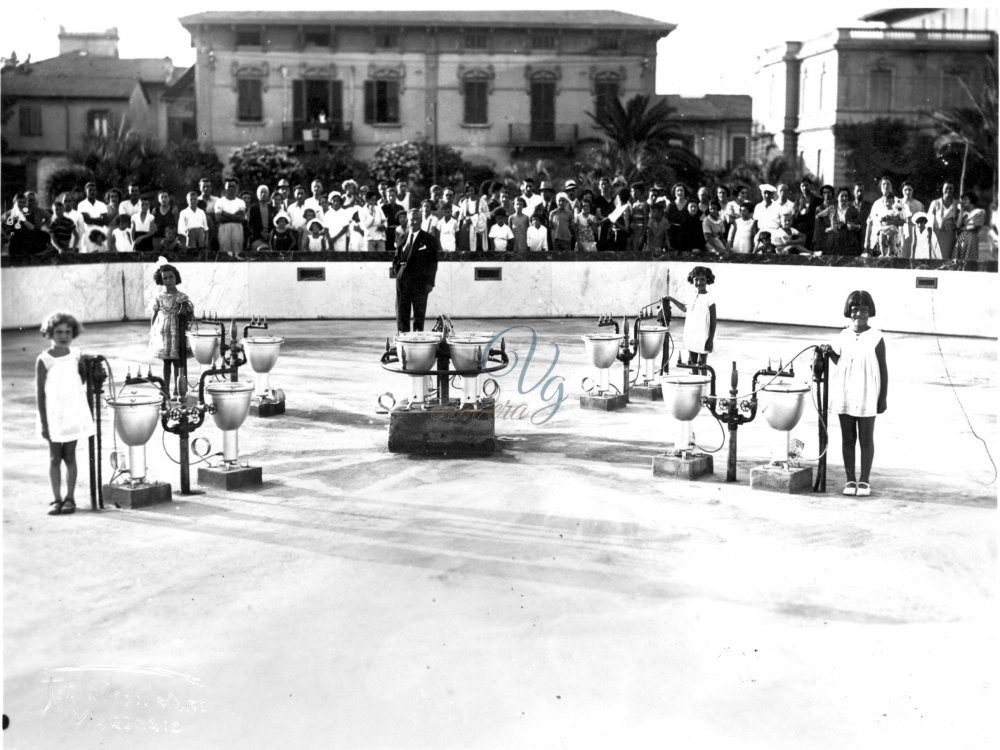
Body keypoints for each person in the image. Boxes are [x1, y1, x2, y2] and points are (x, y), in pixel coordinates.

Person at [824, 290, 888, 498]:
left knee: (866, 438)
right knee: (848, 438)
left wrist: (883, 398)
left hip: (868, 393)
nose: (859, 314)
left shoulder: (877, 337)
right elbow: (840, 361)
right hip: (845, 392)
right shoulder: (843, 336)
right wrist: (829, 352)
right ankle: (850, 479)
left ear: (870, 312)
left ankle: (865, 480)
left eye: (863, 310)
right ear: (849, 312)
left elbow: (883, 369)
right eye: (855, 309)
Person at [36, 311, 95, 516]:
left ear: (73, 333)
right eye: (59, 331)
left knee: (70, 456)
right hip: (54, 415)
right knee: (54, 457)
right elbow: (40, 394)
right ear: (50, 333)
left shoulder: (76, 355)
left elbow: (81, 382)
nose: (63, 335)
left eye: (68, 331)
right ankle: (56, 499)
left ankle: (70, 498)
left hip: (72, 413)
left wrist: (86, 364)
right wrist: (44, 423)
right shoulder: (44, 360)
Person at [148, 262, 194, 397]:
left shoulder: (182, 297)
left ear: (176, 278)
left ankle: (178, 389)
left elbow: (190, 315)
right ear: (161, 280)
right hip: (164, 333)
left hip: (177, 333)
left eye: (171, 277)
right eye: (165, 278)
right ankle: (165, 389)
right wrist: (152, 332)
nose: (168, 280)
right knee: (166, 361)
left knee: (177, 361)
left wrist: (186, 314)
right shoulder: (159, 297)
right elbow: (155, 314)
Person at [392, 209, 438, 332]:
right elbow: (396, 257)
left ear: (421, 220)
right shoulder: (402, 236)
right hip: (402, 282)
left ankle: (418, 343)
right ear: (408, 219)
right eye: (412, 218)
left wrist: (430, 283)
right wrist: (398, 273)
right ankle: (403, 341)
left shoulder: (429, 239)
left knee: (419, 316)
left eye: (418, 218)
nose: (415, 221)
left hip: (420, 284)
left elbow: (433, 264)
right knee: (402, 314)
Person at [664, 266, 716, 375]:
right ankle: (695, 382)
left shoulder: (709, 299)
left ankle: (703, 385)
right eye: (696, 279)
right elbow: (684, 308)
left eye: (702, 279)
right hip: (691, 335)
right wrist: (671, 299)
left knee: (702, 364)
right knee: (692, 363)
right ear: (692, 280)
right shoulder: (691, 295)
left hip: (703, 336)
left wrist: (710, 339)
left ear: (707, 281)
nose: (699, 282)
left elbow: (713, 322)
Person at [817, 187, 863, 256]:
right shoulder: (831, 209)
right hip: (834, 243)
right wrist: (827, 228)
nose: (844, 198)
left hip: (849, 243)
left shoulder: (853, 210)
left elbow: (861, 226)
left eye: (846, 196)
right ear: (837, 197)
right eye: (842, 196)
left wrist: (854, 226)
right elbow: (818, 216)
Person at [864, 177, 903, 257]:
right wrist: (866, 242)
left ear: (892, 186)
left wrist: (892, 221)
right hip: (877, 242)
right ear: (880, 188)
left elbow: (903, 221)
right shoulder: (876, 204)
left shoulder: (899, 202)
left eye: (888, 184)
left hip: (894, 243)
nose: (886, 186)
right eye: (883, 184)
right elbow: (870, 223)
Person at [215, 178, 247, 258]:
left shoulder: (240, 202)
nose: (231, 188)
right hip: (224, 228)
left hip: (237, 228)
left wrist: (225, 213)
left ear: (236, 188)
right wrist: (234, 216)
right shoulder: (220, 201)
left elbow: (241, 218)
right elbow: (219, 218)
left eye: (233, 186)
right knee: (225, 253)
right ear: (225, 188)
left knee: (238, 253)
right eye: (229, 186)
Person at [927, 181, 959, 260]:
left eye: (951, 188)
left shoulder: (957, 204)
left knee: (948, 256)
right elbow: (929, 221)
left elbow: (960, 220)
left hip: (950, 235)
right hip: (937, 234)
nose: (948, 190)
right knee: (936, 256)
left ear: (954, 190)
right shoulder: (935, 203)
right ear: (942, 190)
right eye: (946, 188)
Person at [954, 192, 985, 262]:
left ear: (971, 200)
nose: (963, 201)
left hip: (971, 239)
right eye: (962, 199)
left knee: (969, 260)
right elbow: (958, 225)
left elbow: (975, 226)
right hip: (961, 239)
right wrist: (961, 211)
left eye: (965, 199)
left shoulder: (979, 212)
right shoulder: (963, 213)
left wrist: (962, 228)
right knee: (958, 261)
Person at [178, 191, 209, 256]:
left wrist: (206, 240)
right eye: (191, 199)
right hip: (190, 234)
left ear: (197, 201)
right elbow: (181, 229)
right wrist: (184, 240)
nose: (193, 201)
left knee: (202, 253)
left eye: (195, 199)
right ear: (187, 201)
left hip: (200, 234)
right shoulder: (183, 212)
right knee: (192, 253)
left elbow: (206, 228)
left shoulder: (201, 212)